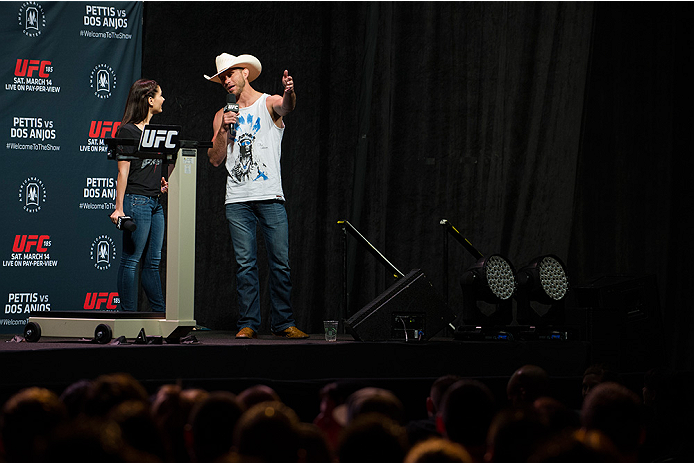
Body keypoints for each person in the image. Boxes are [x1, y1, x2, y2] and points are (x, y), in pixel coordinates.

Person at [205, 53, 308, 339]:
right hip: (237, 199)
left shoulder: (268, 102)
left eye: (230, 74)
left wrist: (289, 92)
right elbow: (215, 159)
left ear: (245, 73)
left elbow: (286, 106)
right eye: (222, 78)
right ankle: (248, 322)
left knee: (280, 262)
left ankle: (284, 323)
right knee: (245, 265)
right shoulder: (220, 115)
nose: (226, 81)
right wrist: (224, 128)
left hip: (270, 195)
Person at [110, 79, 168, 312]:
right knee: (131, 260)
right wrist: (119, 208)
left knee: (153, 264)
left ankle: (160, 315)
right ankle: (128, 316)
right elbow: (122, 172)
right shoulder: (127, 130)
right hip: (137, 201)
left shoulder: (156, 132)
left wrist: (163, 182)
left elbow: (157, 163)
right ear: (149, 100)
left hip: (156, 203)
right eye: (160, 95)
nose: (164, 100)